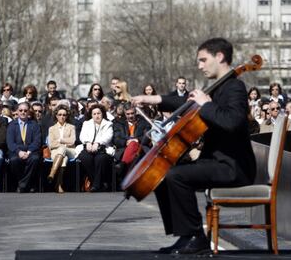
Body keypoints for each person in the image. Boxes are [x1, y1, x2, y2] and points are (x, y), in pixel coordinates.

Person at [131, 38, 256, 255]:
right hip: (215, 162)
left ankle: (196, 237)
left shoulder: (235, 87)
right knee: (162, 174)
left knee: (176, 176)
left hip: (233, 167)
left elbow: (233, 121)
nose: (199, 65)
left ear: (219, 57)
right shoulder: (217, 88)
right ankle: (185, 235)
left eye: (203, 60)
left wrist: (206, 104)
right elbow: (185, 103)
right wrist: (152, 99)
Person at [76, 104, 115, 192]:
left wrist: (98, 143)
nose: (97, 116)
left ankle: (95, 185)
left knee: (100, 159)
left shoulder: (108, 124)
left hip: (103, 149)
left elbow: (108, 136)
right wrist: (88, 142)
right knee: (84, 157)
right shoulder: (86, 123)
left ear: (102, 114)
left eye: (99, 113)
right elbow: (82, 136)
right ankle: (98, 184)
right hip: (88, 147)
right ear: (91, 115)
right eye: (94, 114)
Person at [6, 102, 41, 193]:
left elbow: (37, 141)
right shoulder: (12, 125)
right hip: (16, 151)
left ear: (29, 112)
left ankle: (22, 185)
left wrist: (29, 151)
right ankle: (27, 184)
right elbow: (10, 143)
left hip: (31, 151)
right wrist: (19, 152)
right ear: (17, 111)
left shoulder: (34, 124)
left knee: (35, 159)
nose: (23, 112)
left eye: (25, 110)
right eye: (20, 110)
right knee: (14, 160)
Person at [113, 102, 151, 177]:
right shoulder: (118, 123)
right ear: (124, 113)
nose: (130, 116)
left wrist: (138, 140)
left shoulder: (144, 122)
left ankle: (123, 165)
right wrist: (126, 142)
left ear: (135, 112)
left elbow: (147, 136)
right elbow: (116, 139)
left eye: (132, 113)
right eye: (128, 114)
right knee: (132, 145)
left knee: (133, 144)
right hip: (124, 149)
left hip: (141, 147)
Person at [47, 105, 76, 193]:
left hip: (70, 150)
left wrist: (59, 140)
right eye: (60, 114)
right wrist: (64, 142)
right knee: (64, 158)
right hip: (55, 151)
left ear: (67, 116)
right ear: (56, 116)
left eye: (64, 115)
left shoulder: (71, 127)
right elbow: (51, 144)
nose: (62, 117)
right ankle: (59, 185)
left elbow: (72, 141)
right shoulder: (51, 129)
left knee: (62, 148)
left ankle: (52, 173)